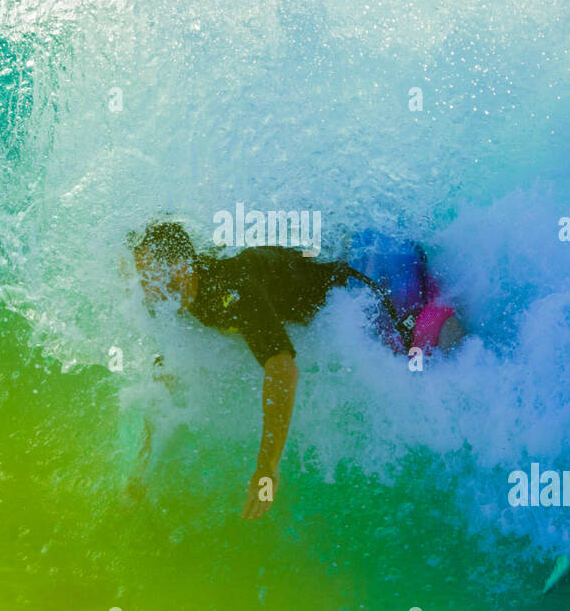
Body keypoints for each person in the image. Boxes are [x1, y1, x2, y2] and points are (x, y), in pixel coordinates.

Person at [128, 220, 463, 519]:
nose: (146, 287)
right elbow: (166, 370)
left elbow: (282, 369)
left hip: (367, 281)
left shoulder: (231, 290)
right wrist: (144, 461)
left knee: (422, 355)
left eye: (150, 275)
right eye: (141, 276)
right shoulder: (173, 295)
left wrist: (266, 466)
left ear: (181, 267)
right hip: (348, 255)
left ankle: (453, 318)